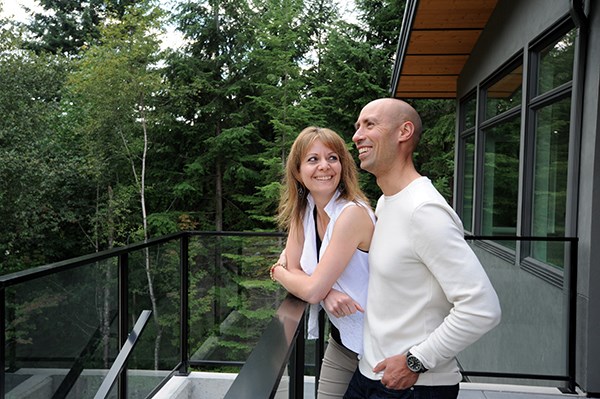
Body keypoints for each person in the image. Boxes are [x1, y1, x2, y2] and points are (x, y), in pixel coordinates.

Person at [343, 98, 502, 399]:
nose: (357, 136)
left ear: (404, 131)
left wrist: (416, 360)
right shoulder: (387, 201)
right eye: (357, 126)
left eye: (370, 124)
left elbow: (482, 307)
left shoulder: (424, 211)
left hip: (412, 386)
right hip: (372, 374)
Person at [270, 126, 375, 398]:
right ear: (297, 171)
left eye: (332, 158)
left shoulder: (351, 214)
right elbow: (297, 269)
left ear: (342, 165)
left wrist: (278, 272)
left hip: (379, 346)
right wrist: (325, 292)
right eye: (313, 159)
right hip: (343, 340)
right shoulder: (304, 210)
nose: (324, 166)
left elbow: (297, 277)